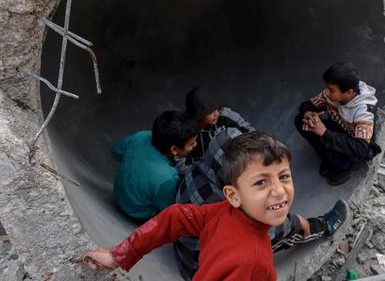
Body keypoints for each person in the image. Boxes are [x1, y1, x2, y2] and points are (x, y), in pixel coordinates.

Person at [84, 132, 298, 280]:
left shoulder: (225, 212)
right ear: (233, 195)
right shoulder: (254, 263)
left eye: (284, 176)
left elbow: (175, 217)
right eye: (261, 182)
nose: (279, 190)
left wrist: (120, 254)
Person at [173, 128, 349, 279]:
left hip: (187, 257)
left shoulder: (195, 171)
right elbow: (275, 229)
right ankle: (325, 226)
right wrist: (296, 222)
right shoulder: (227, 208)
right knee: (283, 233)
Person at [295, 61, 381, 186]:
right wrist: (308, 113)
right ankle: (327, 157)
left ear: (349, 93)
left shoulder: (363, 111)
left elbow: (360, 149)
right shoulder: (331, 94)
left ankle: (342, 168)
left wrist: (324, 133)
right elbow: (307, 105)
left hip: (354, 144)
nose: (327, 92)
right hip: (337, 130)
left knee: (335, 154)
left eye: (331, 90)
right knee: (301, 120)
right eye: (327, 87)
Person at [111, 110, 198, 220]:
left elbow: (116, 152)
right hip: (136, 212)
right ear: (174, 149)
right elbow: (166, 208)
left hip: (118, 194)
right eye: (191, 144)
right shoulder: (168, 178)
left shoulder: (141, 136)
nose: (195, 145)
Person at [173, 87, 253, 175]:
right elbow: (181, 168)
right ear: (198, 113)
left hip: (232, 162)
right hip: (204, 172)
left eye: (217, 108)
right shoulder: (186, 130)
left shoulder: (224, 113)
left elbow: (250, 132)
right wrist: (208, 172)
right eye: (210, 111)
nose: (217, 114)